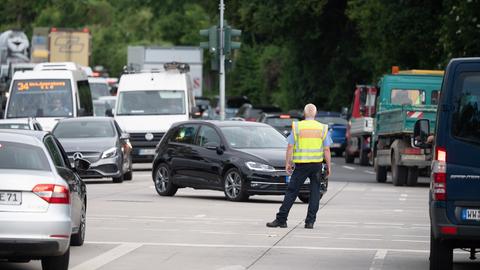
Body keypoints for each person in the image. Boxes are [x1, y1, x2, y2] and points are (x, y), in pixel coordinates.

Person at [267, 103, 332, 229]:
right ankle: (310, 222)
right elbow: (327, 149)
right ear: (315, 114)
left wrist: (288, 162)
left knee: (292, 191)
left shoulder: (297, 127)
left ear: (304, 113)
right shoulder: (322, 128)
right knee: (314, 193)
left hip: (301, 165)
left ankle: (281, 219)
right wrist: (328, 166)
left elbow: (290, 146)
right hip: (316, 166)